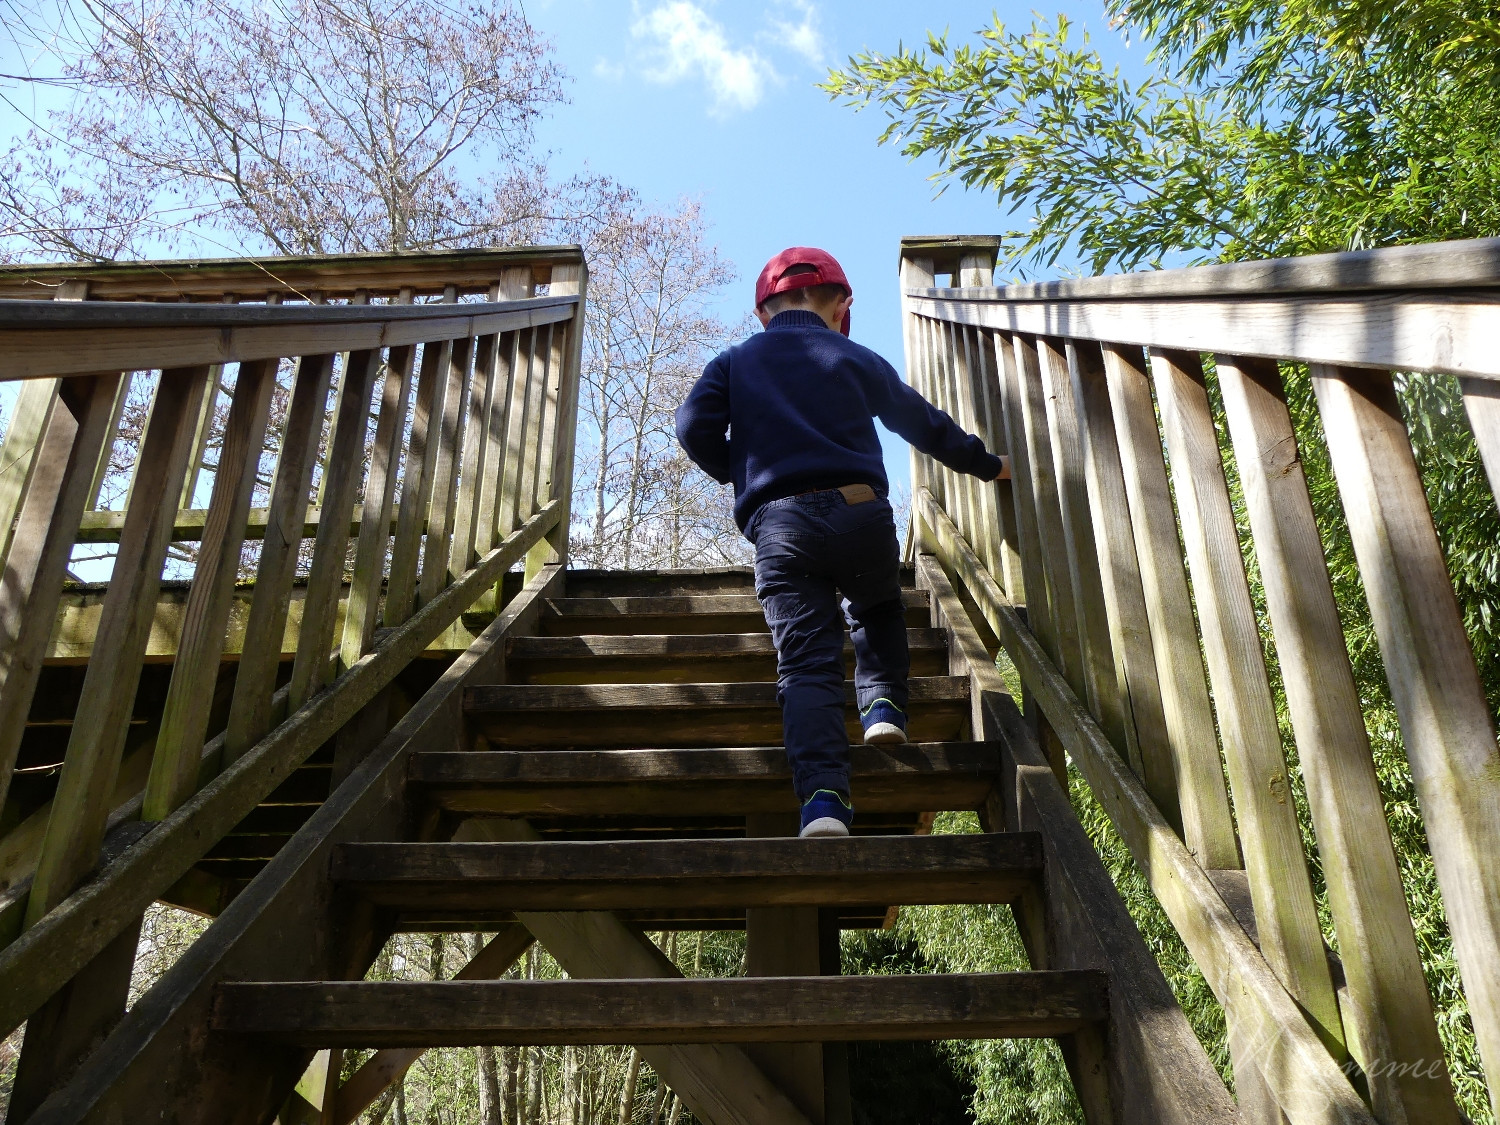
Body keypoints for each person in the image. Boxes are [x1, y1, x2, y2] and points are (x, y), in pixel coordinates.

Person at [675, 247, 1009, 838]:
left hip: (781, 524)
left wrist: (742, 471)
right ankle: (883, 706)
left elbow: (691, 426)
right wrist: (988, 466)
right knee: (877, 607)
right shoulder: (855, 356)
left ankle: (824, 803)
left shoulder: (734, 362)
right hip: (860, 511)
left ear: (762, 312)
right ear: (841, 305)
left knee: (806, 664)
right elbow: (922, 422)